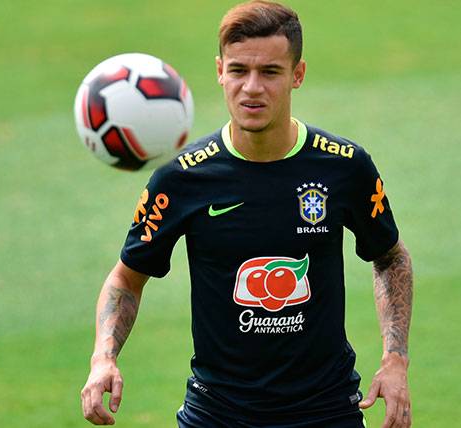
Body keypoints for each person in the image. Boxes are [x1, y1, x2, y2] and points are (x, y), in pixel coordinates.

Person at [80, 1, 414, 427]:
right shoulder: (181, 179)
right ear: (220, 71)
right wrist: (103, 357)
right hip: (217, 412)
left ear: (298, 75)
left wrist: (395, 359)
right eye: (239, 70)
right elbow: (126, 279)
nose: (251, 87)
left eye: (270, 72)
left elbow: (391, 257)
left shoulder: (344, 167)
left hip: (326, 410)